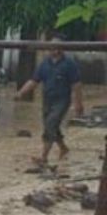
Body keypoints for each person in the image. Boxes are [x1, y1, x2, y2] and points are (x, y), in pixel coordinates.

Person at [16, 38, 85, 166]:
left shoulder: (69, 64)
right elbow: (34, 81)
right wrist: (21, 92)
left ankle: (44, 157)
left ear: (62, 49)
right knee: (52, 126)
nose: (55, 50)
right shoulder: (44, 64)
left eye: (58, 47)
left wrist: (78, 104)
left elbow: (77, 85)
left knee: (50, 124)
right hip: (47, 99)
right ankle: (63, 148)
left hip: (62, 100)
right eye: (53, 48)